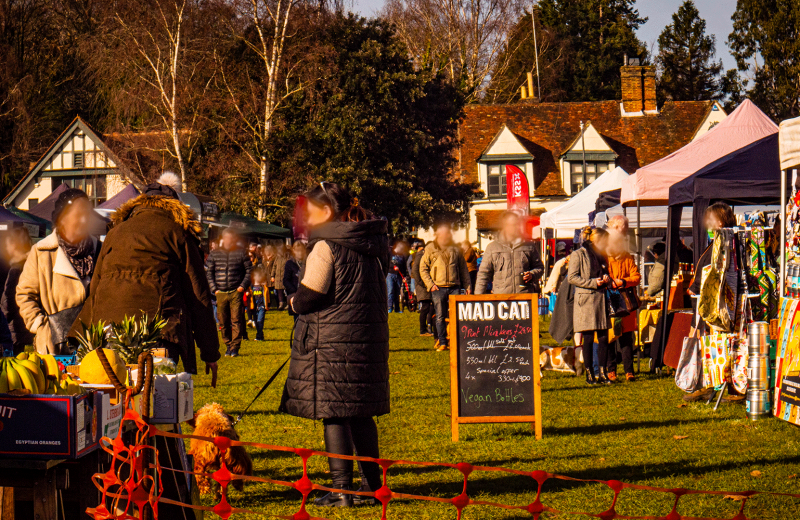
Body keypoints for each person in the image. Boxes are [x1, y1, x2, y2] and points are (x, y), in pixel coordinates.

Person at [279, 182, 389, 508]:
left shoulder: (327, 245)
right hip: (366, 342)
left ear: (326, 212)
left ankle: (342, 489)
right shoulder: (369, 242)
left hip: (333, 343)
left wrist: (294, 303)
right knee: (362, 414)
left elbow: (313, 292)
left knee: (335, 414)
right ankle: (371, 488)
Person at [73, 180, 221, 376]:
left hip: (109, 327)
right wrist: (210, 352)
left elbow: (95, 287)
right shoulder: (178, 232)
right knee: (157, 396)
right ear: (175, 206)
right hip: (158, 330)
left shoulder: (115, 231)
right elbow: (198, 295)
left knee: (115, 394)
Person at [17, 188, 99, 354]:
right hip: (54, 343)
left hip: (94, 343)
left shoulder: (100, 250)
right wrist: (40, 325)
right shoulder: (42, 252)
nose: (82, 220)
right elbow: (24, 295)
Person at [567, 227, 612, 385]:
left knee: (604, 337)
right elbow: (572, 278)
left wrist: (606, 278)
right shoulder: (578, 254)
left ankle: (602, 372)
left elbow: (607, 273)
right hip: (585, 300)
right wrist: (593, 282)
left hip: (601, 298)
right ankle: (589, 373)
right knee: (588, 337)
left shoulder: (602, 255)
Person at [420, 223, 471, 352]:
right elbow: (423, 268)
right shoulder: (430, 248)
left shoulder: (456, 248)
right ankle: (442, 342)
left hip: (455, 287)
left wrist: (468, 285)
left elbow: (463, 268)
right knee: (440, 316)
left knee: (460, 315)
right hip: (438, 288)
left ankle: (459, 340)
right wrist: (430, 285)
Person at [206, 227, 253, 357]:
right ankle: (227, 344)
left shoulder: (241, 253)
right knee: (223, 321)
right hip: (220, 292)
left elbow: (249, 271)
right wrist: (214, 289)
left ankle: (235, 347)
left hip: (235, 291)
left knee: (236, 320)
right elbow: (209, 272)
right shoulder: (214, 254)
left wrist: (242, 286)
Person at [605, 215, 641, 382]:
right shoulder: (604, 259)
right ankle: (611, 369)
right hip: (610, 300)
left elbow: (636, 277)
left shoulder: (627, 257)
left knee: (627, 337)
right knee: (611, 336)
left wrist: (624, 281)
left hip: (626, 302)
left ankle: (629, 370)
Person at [474, 211, 544, 295]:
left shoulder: (529, 246)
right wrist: (477, 299)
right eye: (512, 225)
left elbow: (539, 267)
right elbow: (483, 275)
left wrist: (532, 275)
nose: (516, 228)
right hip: (501, 299)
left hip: (524, 298)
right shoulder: (492, 248)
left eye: (517, 225)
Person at [687, 202, 737, 297]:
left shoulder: (723, 244)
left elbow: (711, 270)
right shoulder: (719, 242)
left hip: (714, 299)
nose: (707, 222)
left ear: (719, 222)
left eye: (710, 219)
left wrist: (695, 287)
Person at [2, 229, 33, 354]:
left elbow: (8, 299)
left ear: (14, 244)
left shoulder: (16, 268)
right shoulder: (32, 263)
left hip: (17, 330)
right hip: (30, 327)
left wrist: (3, 319)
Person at [411, 242, 434, 336]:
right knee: (425, 307)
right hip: (423, 286)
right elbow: (415, 271)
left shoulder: (423, 255)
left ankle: (428, 328)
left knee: (429, 307)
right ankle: (423, 330)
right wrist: (423, 283)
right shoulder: (420, 255)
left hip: (425, 284)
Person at [283, 241, 307, 322]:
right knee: (297, 321)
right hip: (295, 295)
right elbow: (286, 280)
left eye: (301, 250)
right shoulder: (290, 263)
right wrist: (294, 291)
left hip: (307, 295)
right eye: (297, 250)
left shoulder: (308, 262)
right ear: (294, 251)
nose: (299, 253)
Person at [387, 242, 408, 313]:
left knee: (397, 292)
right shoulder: (390, 254)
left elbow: (404, 267)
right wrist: (393, 267)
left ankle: (397, 308)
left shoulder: (402, 256)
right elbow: (386, 263)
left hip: (399, 275)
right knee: (390, 291)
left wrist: (404, 276)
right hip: (390, 274)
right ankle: (389, 307)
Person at [250, 267, 268, 340]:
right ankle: (260, 335)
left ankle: (259, 336)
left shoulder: (263, 286)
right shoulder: (251, 286)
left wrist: (267, 305)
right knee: (257, 322)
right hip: (254, 307)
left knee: (260, 321)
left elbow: (266, 296)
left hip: (261, 307)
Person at [271, 246, 288, 310]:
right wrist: (272, 276)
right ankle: (281, 305)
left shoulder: (286, 258)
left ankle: (288, 304)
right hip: (278, 278)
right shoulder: (277, 259)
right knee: (279, 292)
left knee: (286, 291)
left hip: (284, 277)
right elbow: (274, 267)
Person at [262, 245, 277, 309]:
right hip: (266, 278)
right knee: (267, 293)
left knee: (275, 292)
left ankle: (278, 304)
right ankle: (269, 305)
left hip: (273, 278)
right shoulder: (264, 260)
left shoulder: (274, 259)